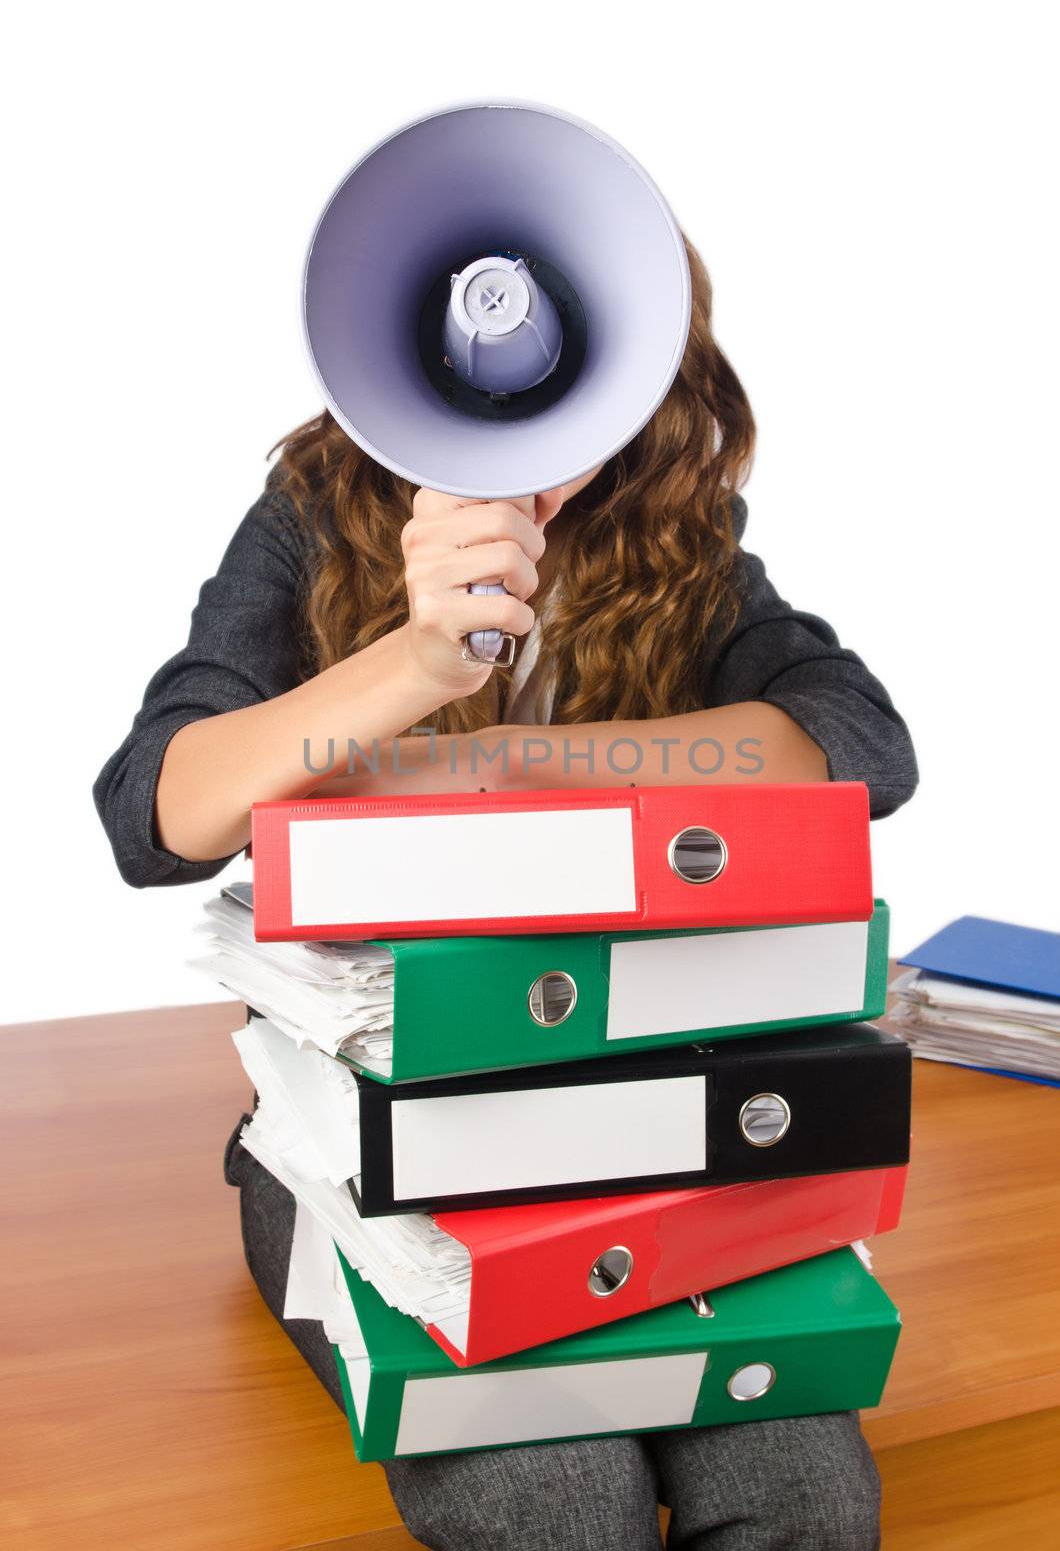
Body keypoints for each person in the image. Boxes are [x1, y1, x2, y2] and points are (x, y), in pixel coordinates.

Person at [94, 237, 916, 1550]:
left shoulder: (681, 545)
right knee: (559, 1498)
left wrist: (504, 764)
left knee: (804, 1495)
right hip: (376, 1147)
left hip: (637, 1119)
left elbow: (862, 747)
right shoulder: (310, 515)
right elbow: (161, 810)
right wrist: (414, 664)